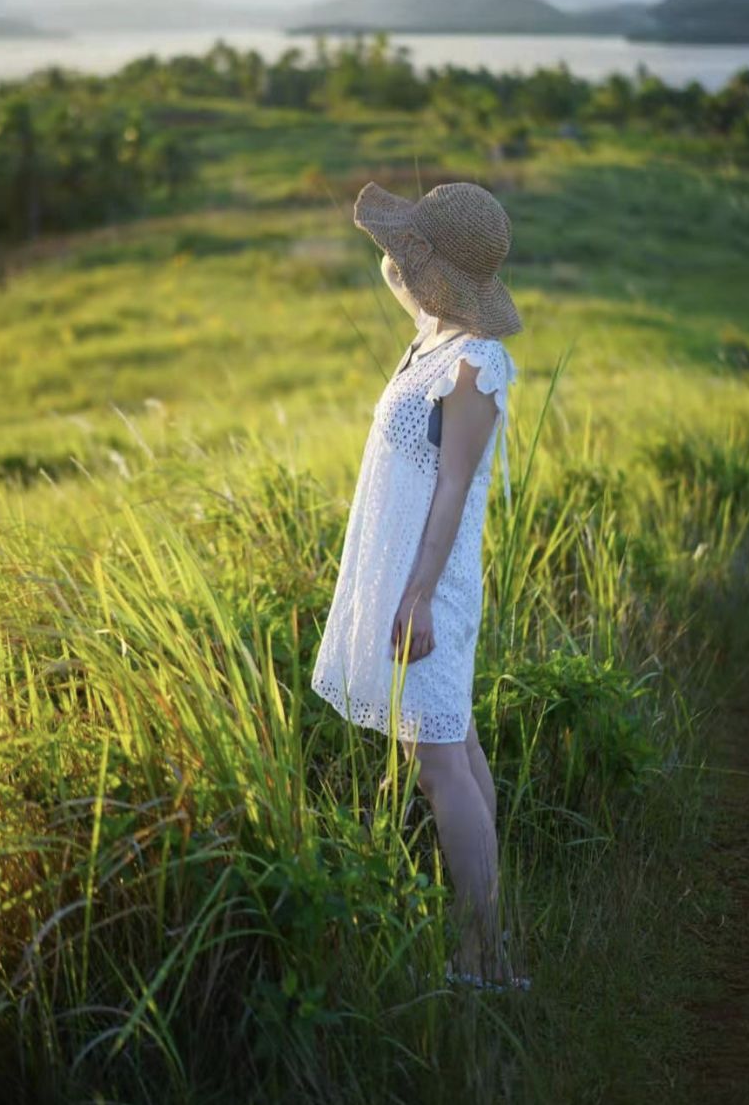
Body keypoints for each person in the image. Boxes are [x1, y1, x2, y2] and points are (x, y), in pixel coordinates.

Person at [310, 179, 531, 994]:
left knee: (440, 763)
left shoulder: (476, 363)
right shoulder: (433, 340)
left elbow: (453, 490)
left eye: (409, 255)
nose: (393, 265)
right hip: (408, 577)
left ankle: (482, 962)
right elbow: (402, 280)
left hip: (431, 585)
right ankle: (488, 953)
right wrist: (408, 263)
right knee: (451, 750)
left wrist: (417, 597)